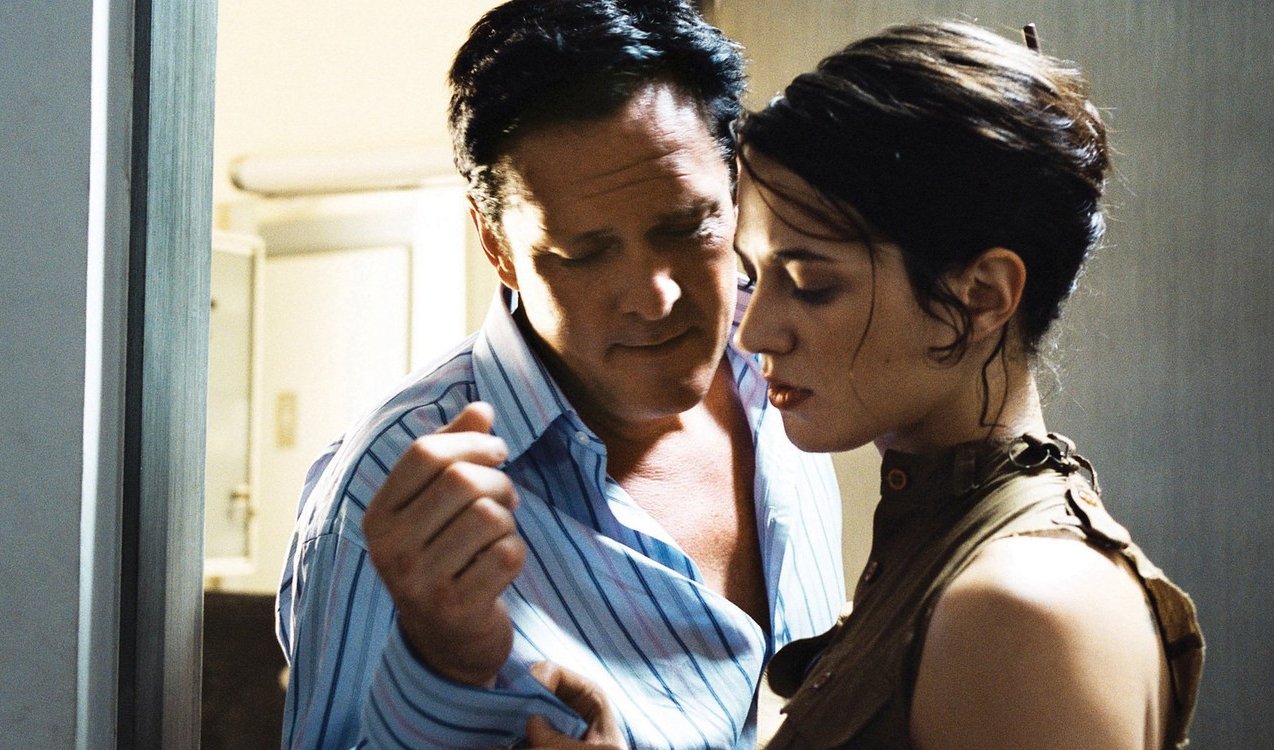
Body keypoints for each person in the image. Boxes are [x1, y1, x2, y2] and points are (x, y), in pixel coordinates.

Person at [534, 19, 1205, 750]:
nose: (756, 333)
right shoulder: (940, 543)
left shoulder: (1017, 611)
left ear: (981, 296)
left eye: (810, 285)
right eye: (754, 276)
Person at [275, 1, 846, 748]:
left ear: (735, 187)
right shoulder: (388, 489)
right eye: (585, 253)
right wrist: (442, 673)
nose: (654, 298)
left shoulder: (791, 371)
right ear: (498, 246)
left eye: (687, 226)